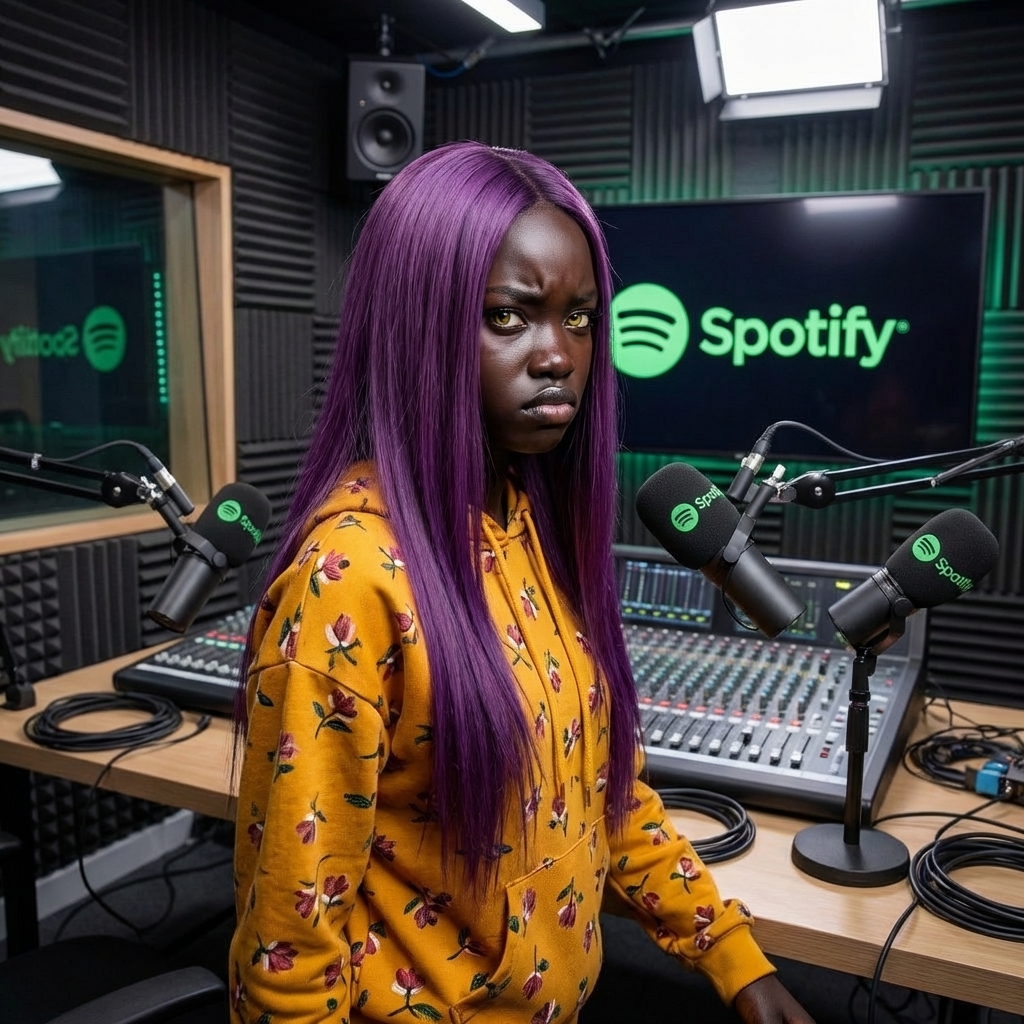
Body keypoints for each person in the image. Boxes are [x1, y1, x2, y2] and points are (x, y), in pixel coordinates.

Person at [229, 141, 815, 1024]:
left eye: (579, 319)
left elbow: (604, 796)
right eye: (511, 317)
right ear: (417, 324)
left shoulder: (525, 522)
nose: (559, 356)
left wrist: (734, 959)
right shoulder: (348, 582)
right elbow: (287, 961)